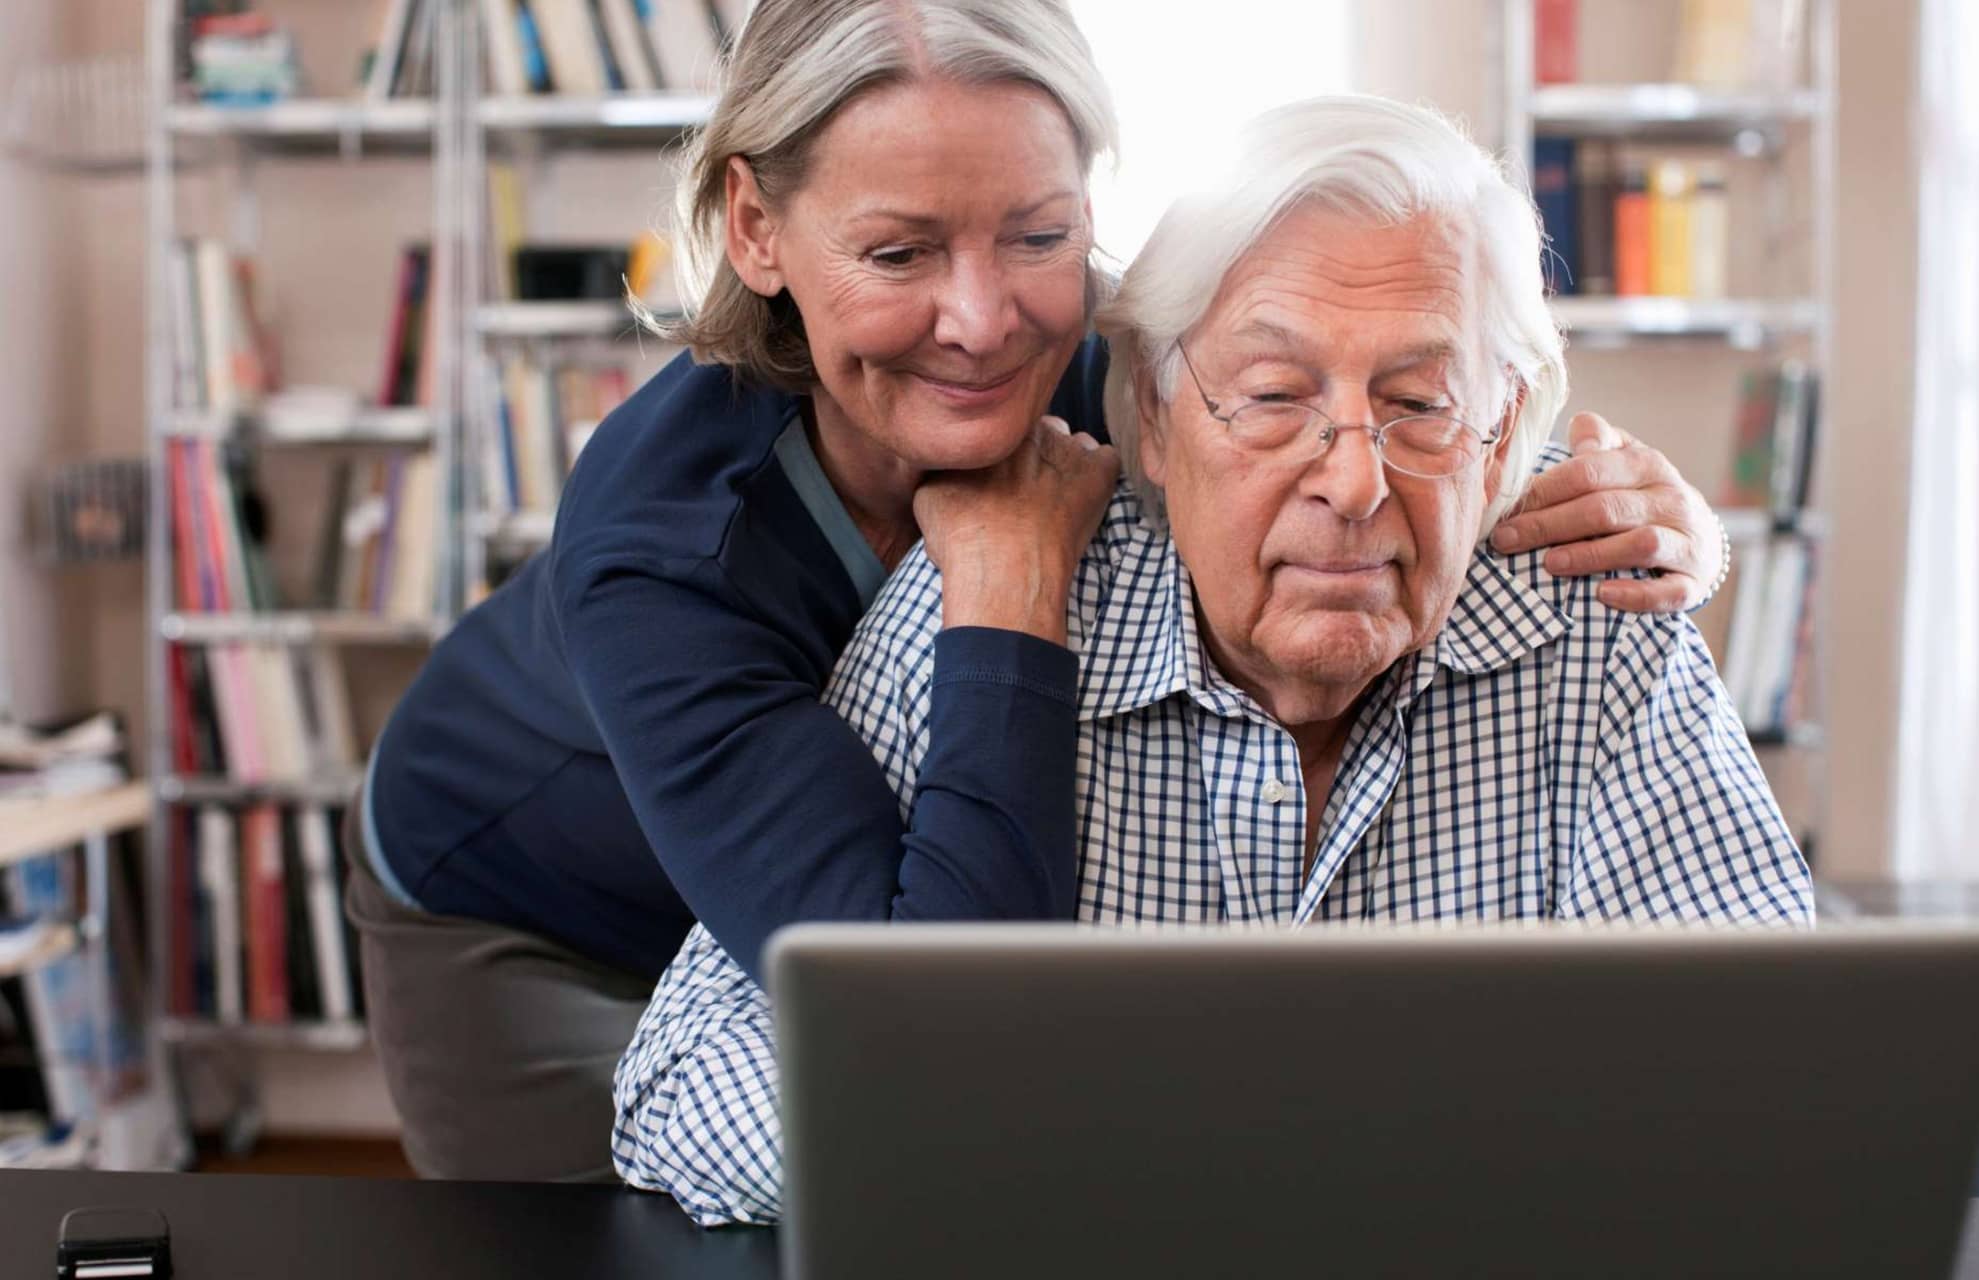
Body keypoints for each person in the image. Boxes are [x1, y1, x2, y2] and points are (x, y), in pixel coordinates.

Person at [347, 0, 1736, 1181]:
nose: (985, 319)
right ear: (757, 230)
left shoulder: (1121, 351)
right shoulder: (663, 548)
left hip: (864, 911)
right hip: (540, 913)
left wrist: (1663, 525)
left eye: (1037, 233)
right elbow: (934, 1023)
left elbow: (1384, 391)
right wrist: (1008, 591)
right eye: (899, 252)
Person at [611, 92, 1813, 1225]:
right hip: (511, 865)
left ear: (1502, 430)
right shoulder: (986, 598)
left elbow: (1777, 1075)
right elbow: (683, 1092)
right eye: (1273, 397)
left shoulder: (1588, 612)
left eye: (1421, 400)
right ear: (1150, 415)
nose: (1352, 480)